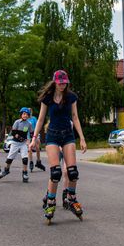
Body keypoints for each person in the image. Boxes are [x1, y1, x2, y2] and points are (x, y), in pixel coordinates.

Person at [30, 69, 87, 224]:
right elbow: (41, 119)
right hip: (53, 136)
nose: (62, 85)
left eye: (64, 83)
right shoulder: (47, 98)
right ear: (55, 82)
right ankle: (50, 201)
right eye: (60, 83)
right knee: (55, 173)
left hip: (68, 135)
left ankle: (71, 198)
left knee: (72, 172)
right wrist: (34, 138)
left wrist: (82, 138)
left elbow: (75, 117)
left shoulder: (71, 97)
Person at [0, 107, 34, 183]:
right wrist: (19, 137)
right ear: (21, 114)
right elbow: (13, 132)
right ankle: (6, 170)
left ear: (28, 116)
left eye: (27, 114)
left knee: (25, 158)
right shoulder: (17, 122)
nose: (25, 115)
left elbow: (32, 133)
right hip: (15, 143)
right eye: (24, 114)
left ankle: (25, 173)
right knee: (10, 158)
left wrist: (31, 140)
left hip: (23, 143)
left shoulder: (29, 124)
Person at [27, 107, 46, 172]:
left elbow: (37, 126)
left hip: (34, 134)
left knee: (37, 148)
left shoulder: (34, 118)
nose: (30, 113)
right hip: (28, 136)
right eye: (28, 112)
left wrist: (36, 136)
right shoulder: (25, 120)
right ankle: (31, 162)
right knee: (29, 148)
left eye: (30, 112)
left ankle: (38, 161)